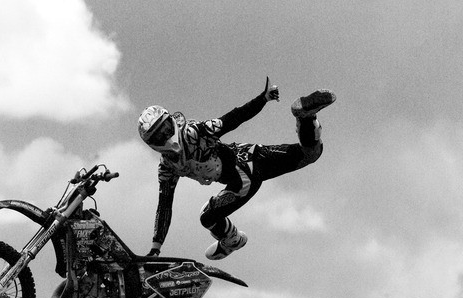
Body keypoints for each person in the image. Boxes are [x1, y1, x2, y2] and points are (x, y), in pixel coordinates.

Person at [138, 77, 336, 260]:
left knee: (207, 217)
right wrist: (155, 248)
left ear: (172, 121)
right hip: (252, 154)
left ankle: (233, 241)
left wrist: (262, 99)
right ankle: (306, 117)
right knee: (309, 154)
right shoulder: (168, 167)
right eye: (159, 136)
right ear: (152, 144)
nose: (166, 137)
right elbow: (164, 205)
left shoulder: (194, 133)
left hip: (244, 177)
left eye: (166, 128)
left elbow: (234, 118)